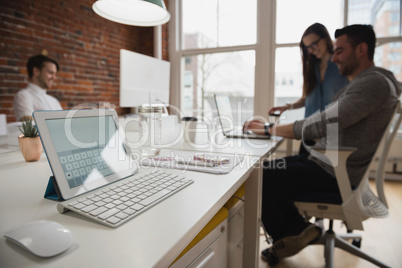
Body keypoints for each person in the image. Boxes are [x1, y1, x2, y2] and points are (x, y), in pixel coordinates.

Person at [243, 24, 401, 265]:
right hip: (327, 161)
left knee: (257, 178)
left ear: (361, 49)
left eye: (340, 51)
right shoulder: (367, 82)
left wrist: (268, 129)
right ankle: (297, 230)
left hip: (334, 171)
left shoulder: (373, 84)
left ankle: (294, 232)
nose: (335, 57)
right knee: (264, 171)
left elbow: (323, 123)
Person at [270, 23, 348, 154]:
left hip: (332, 136)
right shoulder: (310, 68)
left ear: (325, 38)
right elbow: (306, 99)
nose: (311, 50)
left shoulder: (342, 66)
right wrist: (288, 107)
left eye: (314, 44)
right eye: (307, 48)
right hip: (309, 134)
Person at [14, 54, 62, 121]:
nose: (54, 78)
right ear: (36, 71)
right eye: (51, 73)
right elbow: (29, 126)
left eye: (55, 74)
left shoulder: (54, 101)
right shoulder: (23, 96)